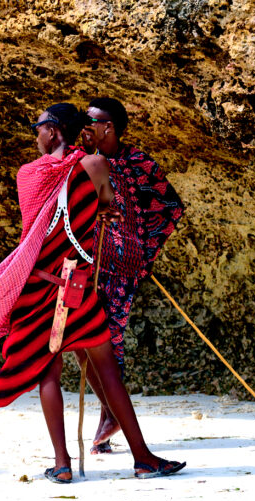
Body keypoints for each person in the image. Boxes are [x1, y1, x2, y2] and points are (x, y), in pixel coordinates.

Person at [0, 103, 185, 483]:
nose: (36, 136)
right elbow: (111, 210)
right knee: (108, 370)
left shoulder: (28, 175)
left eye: (39, 128)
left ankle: (62, 465)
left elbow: (31, 232)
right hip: (77, 287)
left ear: (53, 131)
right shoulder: (97, 167)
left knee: (48, 373)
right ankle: (143, 458)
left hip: (39, 287)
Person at [74, 97, 185, 454]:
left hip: (121, 265)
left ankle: (111, 417)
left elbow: (170, 209)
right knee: (79, 340)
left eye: (91, 120)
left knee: (107, 342)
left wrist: (145, 251)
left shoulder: (139, 163)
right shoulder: (80, 159)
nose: (84, 124)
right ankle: (110, 412)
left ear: (109, 126)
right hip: (84, 261)